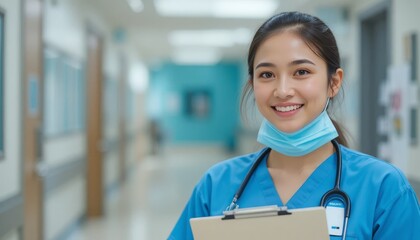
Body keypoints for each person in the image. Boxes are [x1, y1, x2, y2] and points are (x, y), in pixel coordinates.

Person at [168, 11, 420, 240]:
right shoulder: (217, 184)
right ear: (253, 84)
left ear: (334, 82)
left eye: (301, 72)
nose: (283, 90)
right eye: (267, 75)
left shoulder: (383, 188)